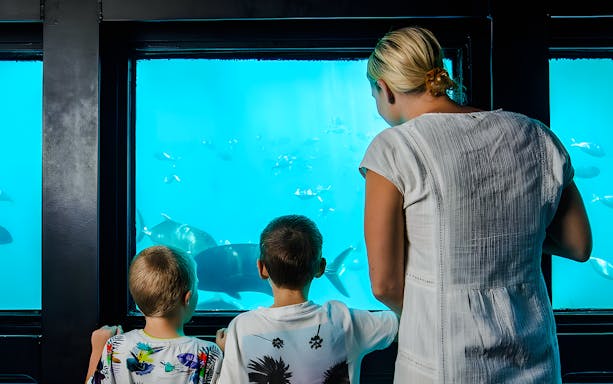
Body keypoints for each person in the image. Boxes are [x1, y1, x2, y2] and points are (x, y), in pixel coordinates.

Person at [360, 26, 592, 383]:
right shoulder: (535, 134)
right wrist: (510, 234)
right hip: (535, 357)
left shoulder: (393, 149)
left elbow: (385, 284)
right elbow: (579, 245)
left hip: (442, 363)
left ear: (386, 90)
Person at [215, 214, 399, 383]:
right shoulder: (343, 320)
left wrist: (230, 350)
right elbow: (402, 323)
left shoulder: (242, 328)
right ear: (320, 267)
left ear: (261, 268)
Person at [85, 245, 223, 384]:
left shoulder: (115, 346)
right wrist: (227, 355)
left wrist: (97, 350)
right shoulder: (208, 353)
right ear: (187, 298)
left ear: (136, 300)